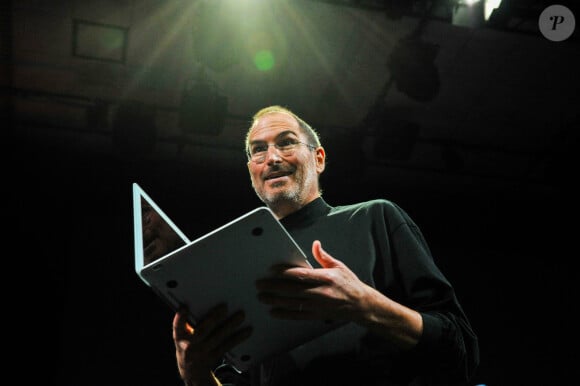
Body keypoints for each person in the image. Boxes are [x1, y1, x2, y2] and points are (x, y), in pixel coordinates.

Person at [171, 105, 479, 386]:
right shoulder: (236, 266)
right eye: (258, 150)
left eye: (286, 142)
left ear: (318, 159)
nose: (272, 158)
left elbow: (459, 349)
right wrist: (196, 375)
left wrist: (365, 305)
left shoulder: (375, 218)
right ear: (252, 170)